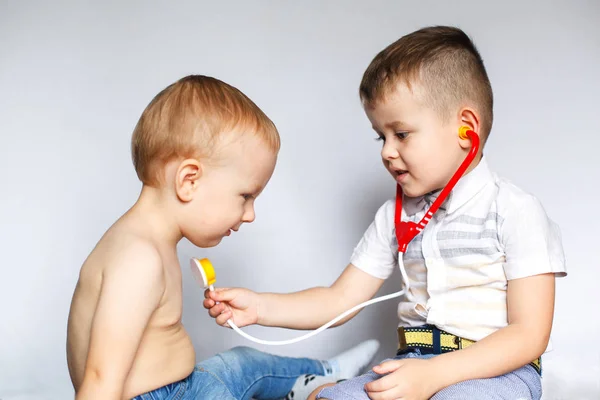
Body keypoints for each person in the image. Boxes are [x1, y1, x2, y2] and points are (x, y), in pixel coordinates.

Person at [204, 26, 567, 400]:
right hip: (412, 363)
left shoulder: (515, 211)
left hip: (496, 373)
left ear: (466, 129)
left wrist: (434, 377)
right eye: (382, 136)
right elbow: (338, 300)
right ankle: (319, 388)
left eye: (402, 134)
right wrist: (260, 307)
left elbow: (530, 334)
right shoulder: (393, 217)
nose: (387, 151)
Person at [66, 74, 380, 400]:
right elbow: (101, 380)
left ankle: (326, 374)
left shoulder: (141, 241)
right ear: (189, 181)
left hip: (186, 388)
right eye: (245, 196)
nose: (250, 214)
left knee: (241, 364)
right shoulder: (138, 258)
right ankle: (325, 386)